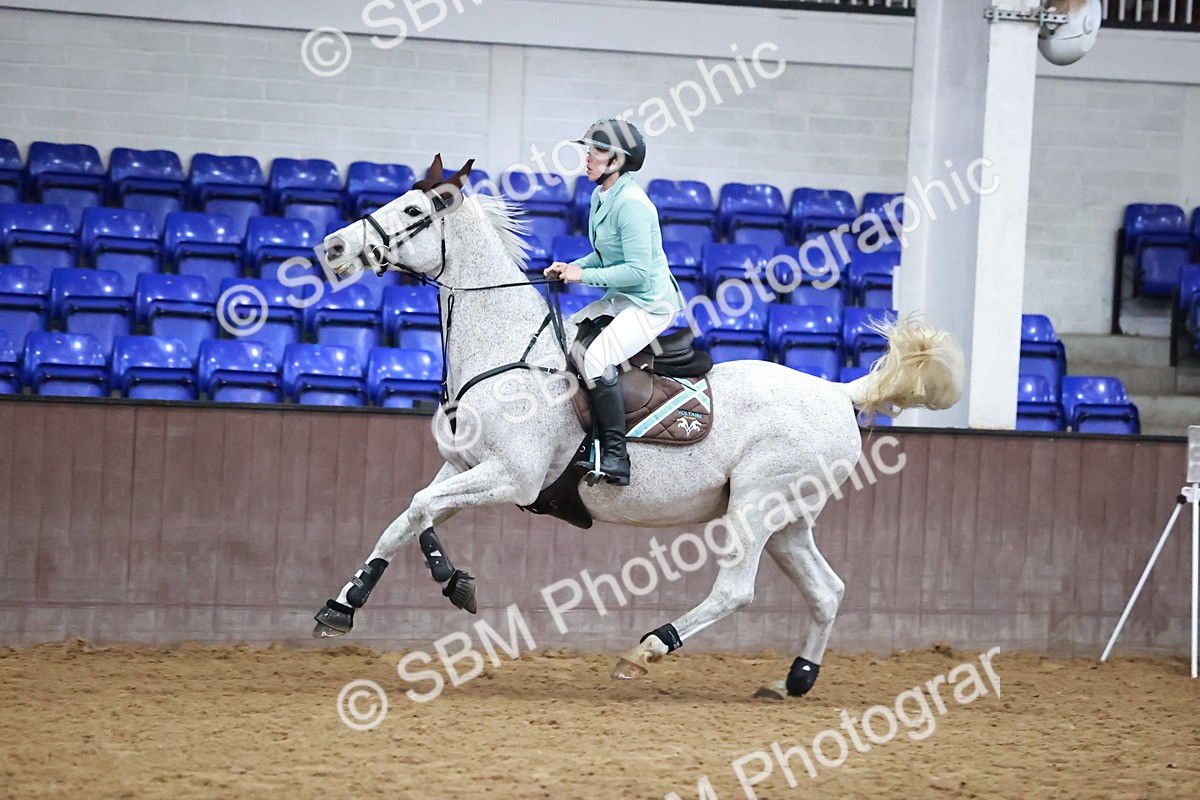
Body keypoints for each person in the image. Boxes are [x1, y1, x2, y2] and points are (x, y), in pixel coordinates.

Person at [544, 118, 685, 486]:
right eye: (589, 149)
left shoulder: (634, 205)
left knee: (596, 358)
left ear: (619, 161)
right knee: (565, 334)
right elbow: (603, 254)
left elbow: (637, 271)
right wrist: (571, 267)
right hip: (622, 298)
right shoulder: (601, 196)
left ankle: (616, 456)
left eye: (598, 151)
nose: (588, 157)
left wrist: (583, 277)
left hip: (650, 304)